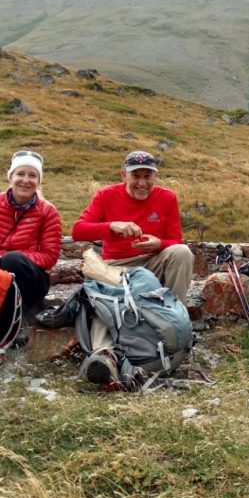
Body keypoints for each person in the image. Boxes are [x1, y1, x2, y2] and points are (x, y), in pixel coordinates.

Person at [72, 150, 195, 384]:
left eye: (147, 176)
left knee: (181, 253)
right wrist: (111, 227)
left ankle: (177, 327)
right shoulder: (106, 195)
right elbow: (78, 230)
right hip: (117, 266)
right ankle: (104, 356)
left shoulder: (167, 197)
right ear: (124, 175)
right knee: (103, 299)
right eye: (135, 176)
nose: (142, 183)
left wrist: (159, 244)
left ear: (155, 177)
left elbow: (176, 240)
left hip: (152, 261)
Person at [0, 150, 61, 311]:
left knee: (13, 260)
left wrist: (11, 258)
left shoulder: (48, 211)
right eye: (20, 174)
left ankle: (8, 320)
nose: (25, 180)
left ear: (39, 181)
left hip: (29, 279)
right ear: (10, 177)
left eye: (32, 176)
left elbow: (49, 257)